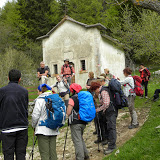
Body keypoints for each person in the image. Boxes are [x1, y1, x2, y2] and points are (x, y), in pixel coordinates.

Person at [0, 69, 28, 160]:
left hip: (7, 127)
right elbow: (25, 107)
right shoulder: (24, 91)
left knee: (8, 155)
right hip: (22, 125)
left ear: (8, 78)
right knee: (21, 154)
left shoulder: (2, 91)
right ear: (20, 79)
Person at [90, 79, 118, 154]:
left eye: (94, 90)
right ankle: (111, 143)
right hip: (109, 111)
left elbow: (106, 104)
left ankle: (112, 146)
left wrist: (98, 109)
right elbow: (104, 103)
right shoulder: (102, 91)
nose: (95, 92)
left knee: (111, 128)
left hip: (111, 111)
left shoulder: (103, 91)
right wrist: (99, 106)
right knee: (109, 127)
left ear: (96, 88)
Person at [32, 84, 59, 160]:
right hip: (53, 129)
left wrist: (33, 126)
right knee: (53, 153)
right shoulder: (54, 98)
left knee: (44, 154)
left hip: (42, 130)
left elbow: (35, 116)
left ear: (41, 91)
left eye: (38, 91)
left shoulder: (40, 100)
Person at [67, 83, 89, 160]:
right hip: (83, 121)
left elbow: (69, 112)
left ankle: (80, 157)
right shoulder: (82, 97)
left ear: (72, 90)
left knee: (77, 140)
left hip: (75, 122)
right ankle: (86, 155)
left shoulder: (72, 99)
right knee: (80, 138)